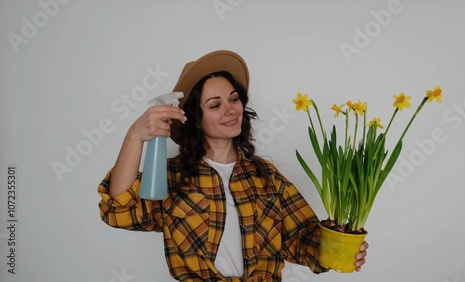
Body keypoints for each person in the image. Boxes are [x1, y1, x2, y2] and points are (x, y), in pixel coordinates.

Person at [98, 50, 368, 281]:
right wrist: (134, 136)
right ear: (195, 119)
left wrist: (340, 248)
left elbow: (302, 238)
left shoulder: (267, 178)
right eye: (215, 104)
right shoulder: (171, 178)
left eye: (234, 98)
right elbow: (120, 210)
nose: (230, 109)